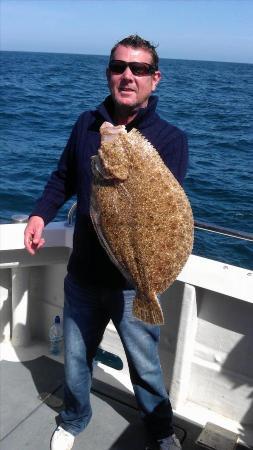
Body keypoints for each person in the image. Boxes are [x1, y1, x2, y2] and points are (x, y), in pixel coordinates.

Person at [24, 35, 188, 450]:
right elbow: (64, 175)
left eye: (139, 69)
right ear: (109, 73)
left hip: (134, 283)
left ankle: (161, 431)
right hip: (83, 273)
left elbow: (165, 212)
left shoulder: (170, 139)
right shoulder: (86, 123)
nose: (127, 76)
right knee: (77, 359)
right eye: (119, 67)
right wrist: (41, 213)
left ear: (156, 79)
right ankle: (74, 418)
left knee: (146, 367)